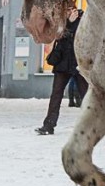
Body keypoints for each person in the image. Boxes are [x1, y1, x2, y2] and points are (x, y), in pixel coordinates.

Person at [37, 7, 89, 135]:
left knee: (86, 95)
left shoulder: (83, 20)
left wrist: (72, 23)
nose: (68, 11)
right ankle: (49, 125)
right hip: (62, 64)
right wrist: (68, 22)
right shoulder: (61, 21)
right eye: (66, 9)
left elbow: (83, 37)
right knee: (56, 94)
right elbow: (57, 36)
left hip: (77, 63)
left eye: (70, 8)